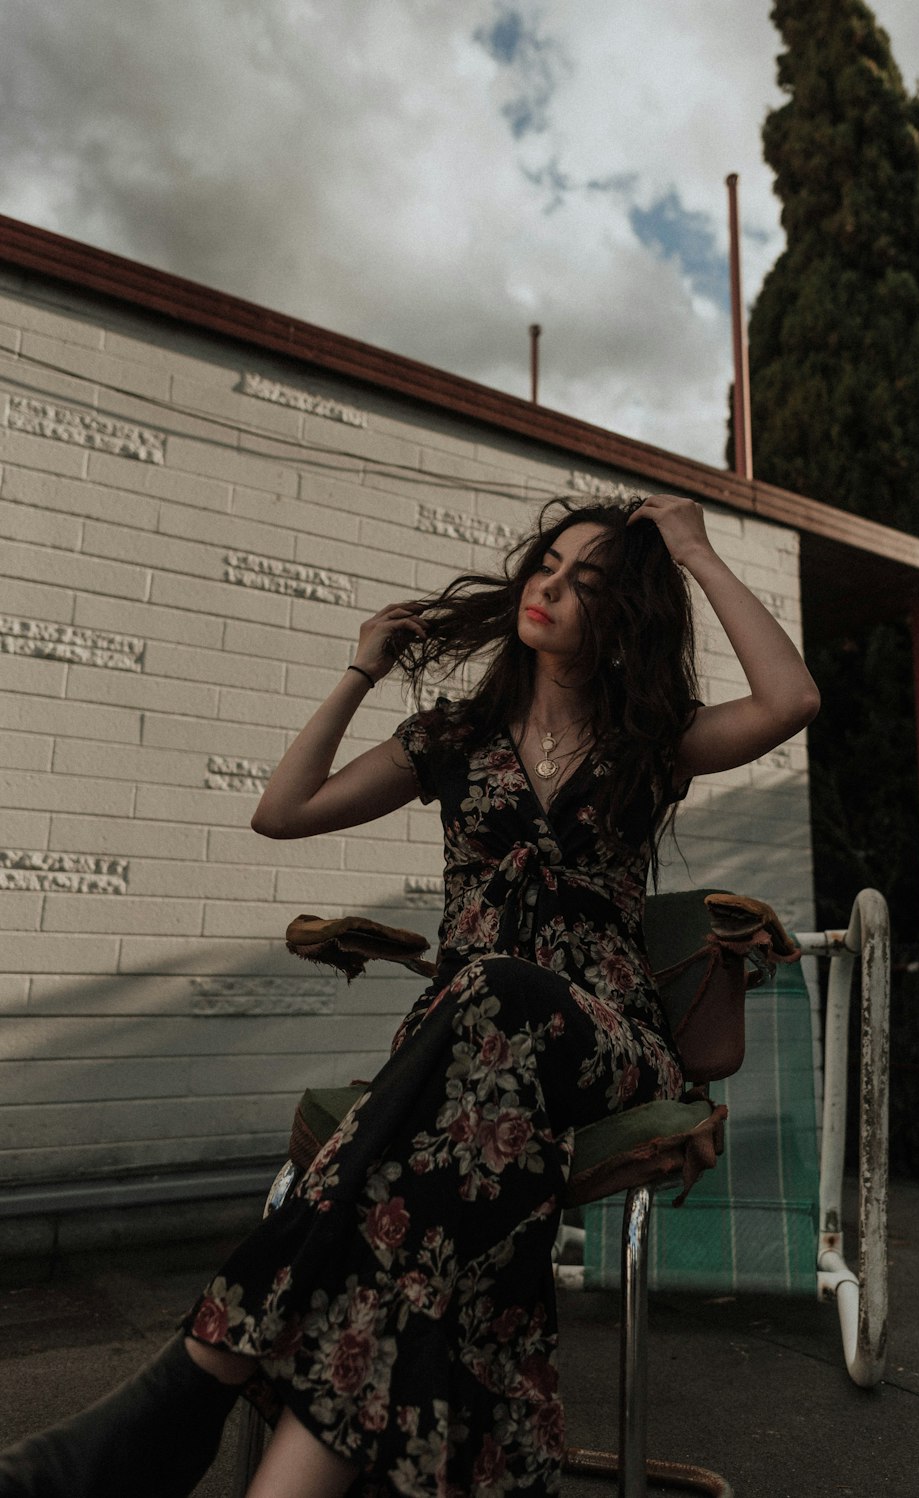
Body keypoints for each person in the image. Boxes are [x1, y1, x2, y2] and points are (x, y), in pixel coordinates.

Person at [0, 494, 819, 1498]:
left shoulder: (649, 737)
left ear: (623, 618)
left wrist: (692, 548)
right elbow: (281, 811)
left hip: (600, 1038)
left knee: (495, 993)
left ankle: (202, 1372)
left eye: (585, 584)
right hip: (464, 1061)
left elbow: (790, 700)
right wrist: (362, 667)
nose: (549, 590)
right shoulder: (453, 736)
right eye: (545, 567)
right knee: (443, 1193)